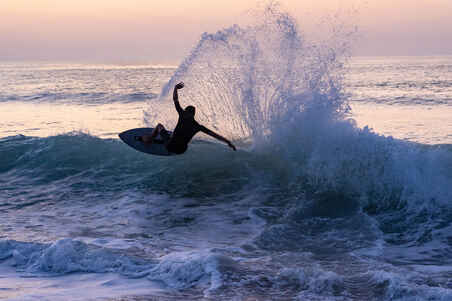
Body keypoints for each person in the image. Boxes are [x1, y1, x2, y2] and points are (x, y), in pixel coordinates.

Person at [136, 82, 236, 154]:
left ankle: (148, 140)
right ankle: (165, 140)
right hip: (182, 151)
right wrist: (228, 142)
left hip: (170, 147)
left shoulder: (182, 115)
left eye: (185, 112)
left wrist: (175, 88)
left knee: (159, 126)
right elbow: (215, 135)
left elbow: (175, 100)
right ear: (193, 114)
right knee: (174, 138)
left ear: (187, 112)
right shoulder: (198, 126)